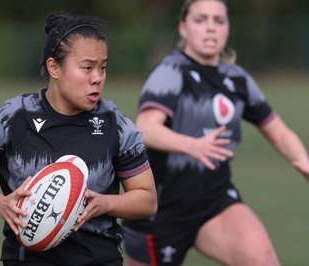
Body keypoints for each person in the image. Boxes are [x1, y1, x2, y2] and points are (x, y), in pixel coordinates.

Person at [0, 11, 157, 266]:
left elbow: (147, 199)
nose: (97, 78)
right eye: (87, 67)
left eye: (103, 67)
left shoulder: (116, 125)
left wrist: (106, 203)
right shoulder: (14, 117)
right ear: (54, 67)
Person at [122, 0, 309, 265]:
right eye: (201, 20)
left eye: (218, 21)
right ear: (183, 28)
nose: (211, 28)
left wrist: (303, 160)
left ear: (228, 28)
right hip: (161, 209)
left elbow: (278, 132)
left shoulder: (236, 78)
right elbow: (145, 128)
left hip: (214, 201)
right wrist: (192, 145)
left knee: (264, 260)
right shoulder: (170, 71)